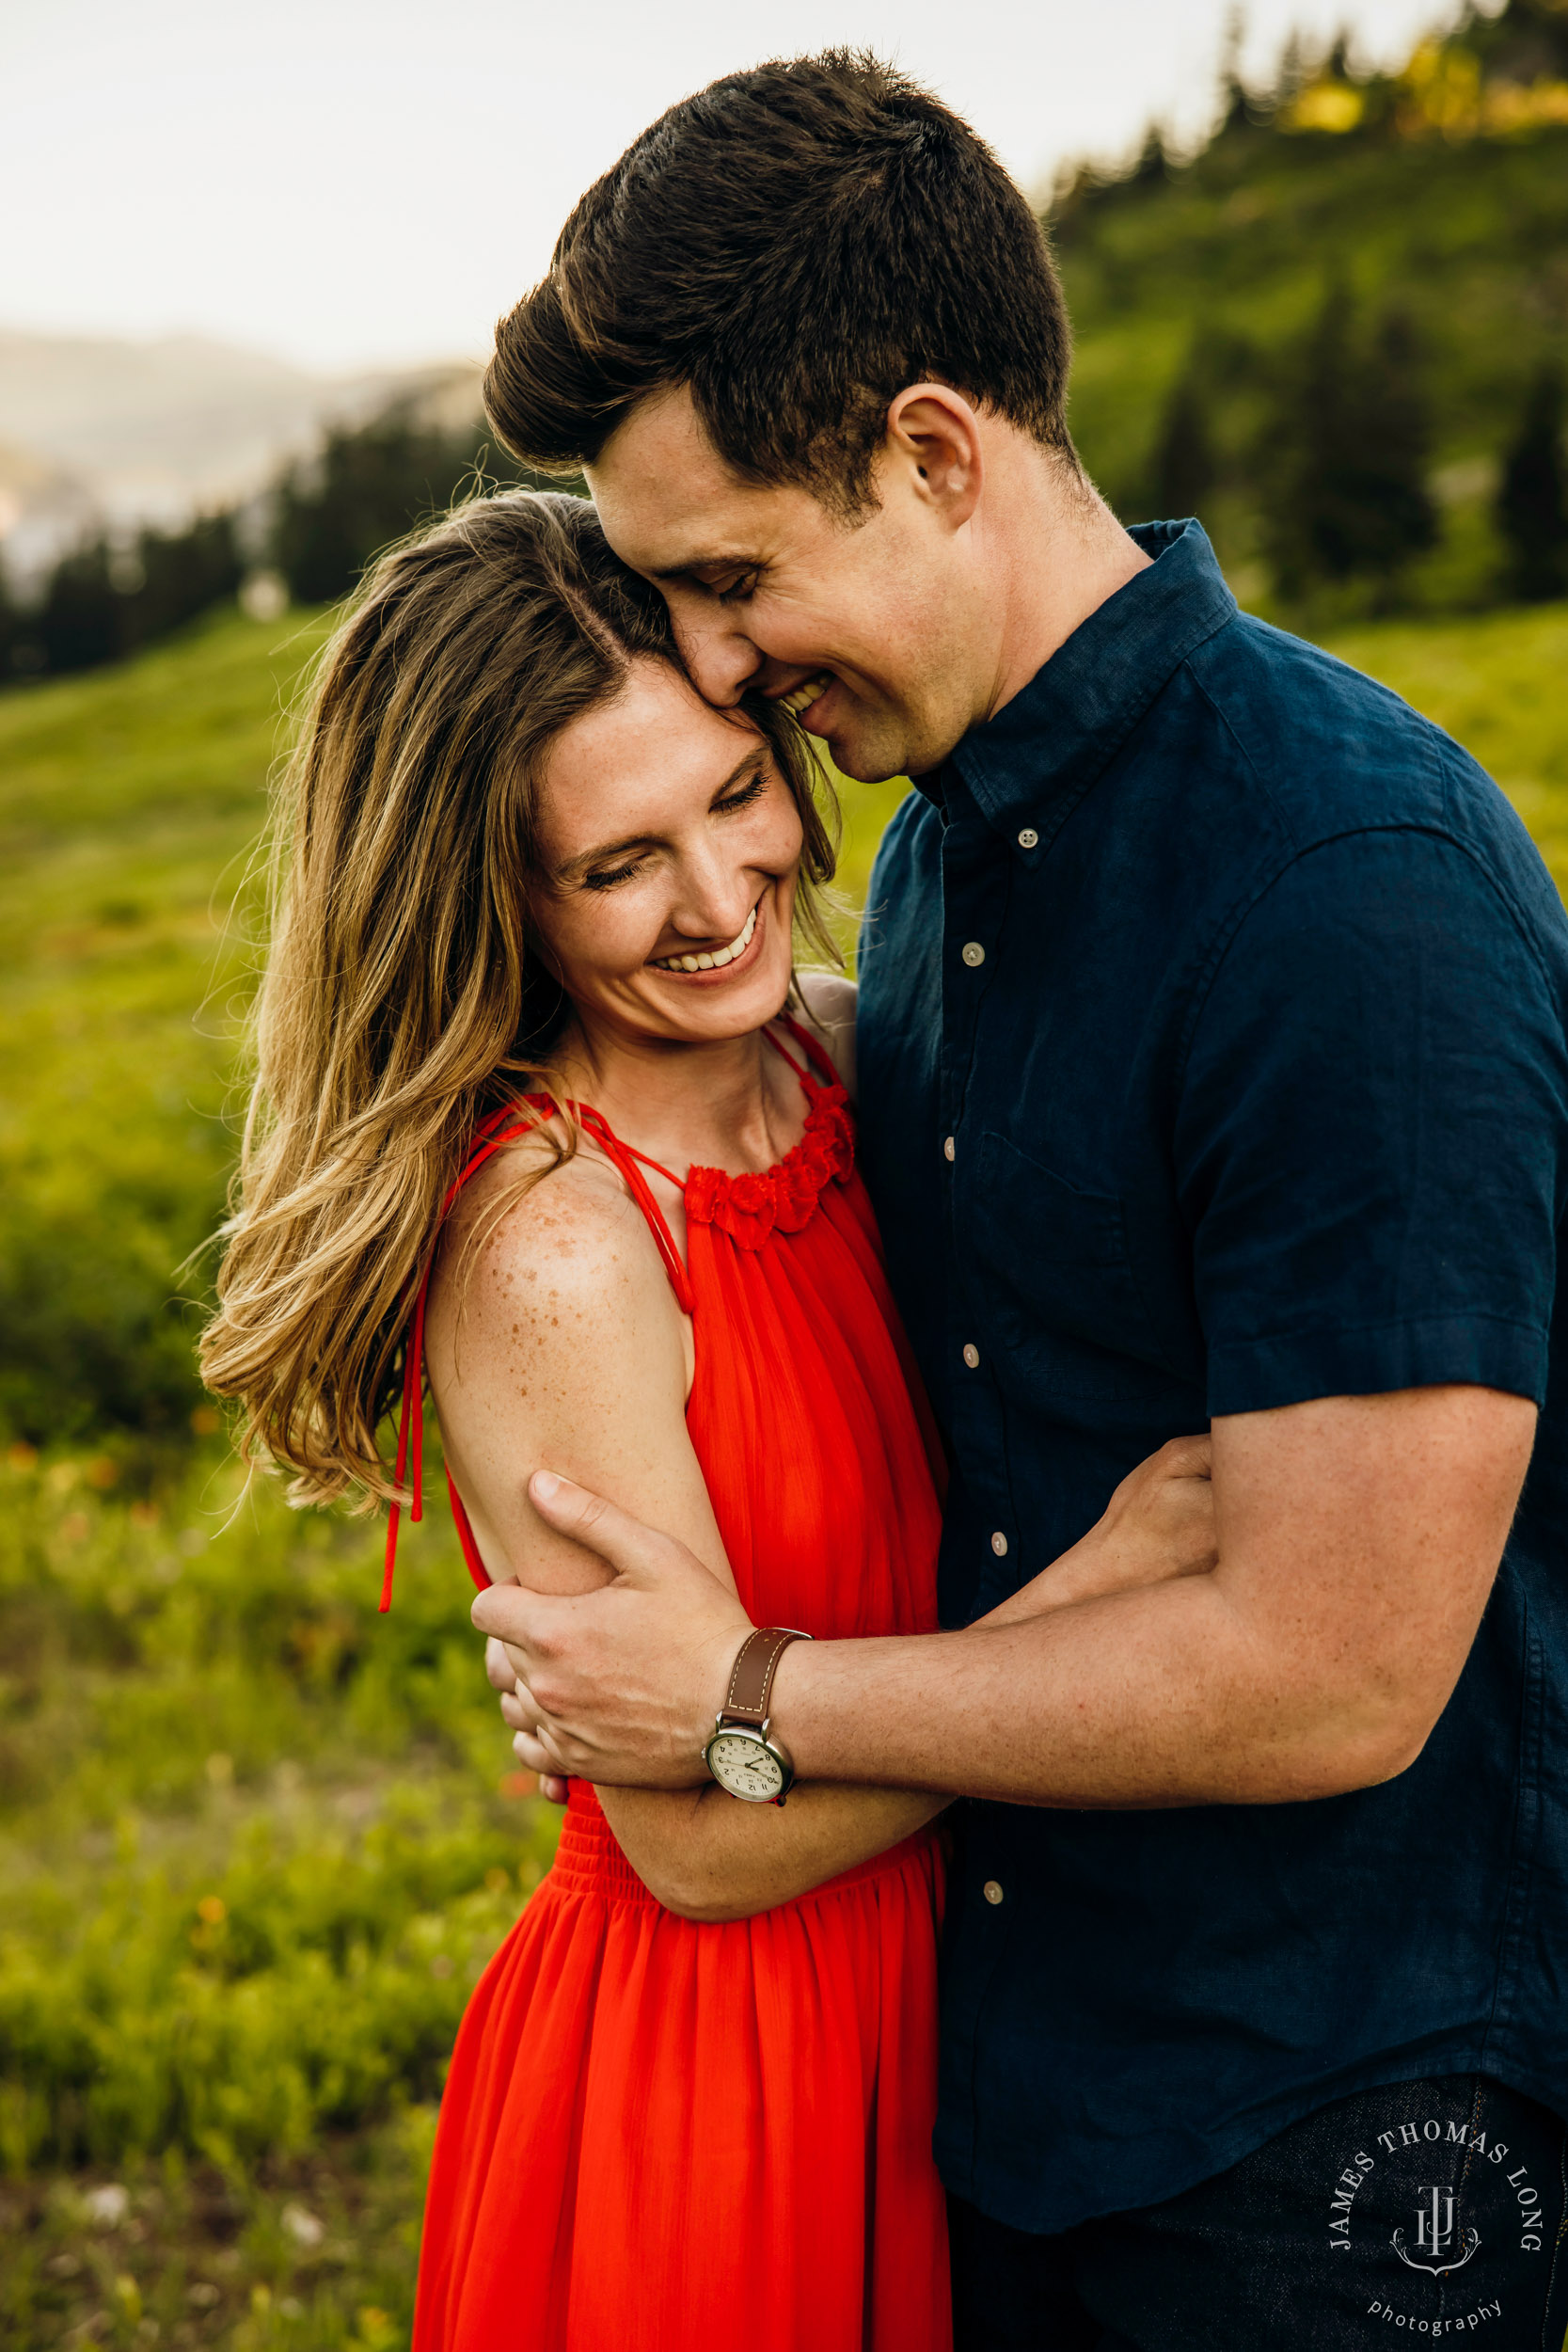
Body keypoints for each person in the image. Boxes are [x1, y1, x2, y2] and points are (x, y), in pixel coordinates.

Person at [472, 52, 1568, 2351]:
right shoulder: (952, 827)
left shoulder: (1345, 888)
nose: (712, 662)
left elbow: (1341, 1669)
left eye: (730, 575)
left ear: (934, 452)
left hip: (1314, 2135)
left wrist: (746, 1694)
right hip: (993, 2092)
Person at [198, 488, 1215, 2351]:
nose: (717, 893)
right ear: (493, 885)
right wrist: (1109, 1611)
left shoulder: (841, 1047)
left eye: (737, 792)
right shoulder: (560, 1240)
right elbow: (698, 1840)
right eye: (618, 861)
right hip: (726, 2064)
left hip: (961, 1995)